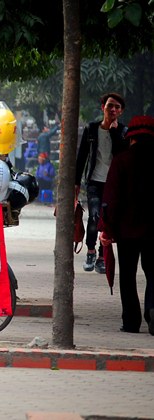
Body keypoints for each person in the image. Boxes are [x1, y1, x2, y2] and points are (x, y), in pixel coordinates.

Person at [99, 115, 154, 335]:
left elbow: (110, 198)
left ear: (131, 138)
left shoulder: (121, 161)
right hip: (153, 231)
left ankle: (131, 322)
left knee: (128, 275)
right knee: (153, 272)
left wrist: (106, 227)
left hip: (127, 230)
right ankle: (152, 308)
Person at [75, 92, 128, 274]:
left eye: (117, 107)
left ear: (121, 111)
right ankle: (90, 251)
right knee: (95, 215)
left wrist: (114, 133)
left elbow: (122, 155)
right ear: (103, 108)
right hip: (94, 182)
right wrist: (76, 184)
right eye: (109, 106)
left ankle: (101, 256)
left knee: (109, 220)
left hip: (114, 184)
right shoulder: (91, 129)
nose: (113, 109)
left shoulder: (123, 132)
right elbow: (82, 157)